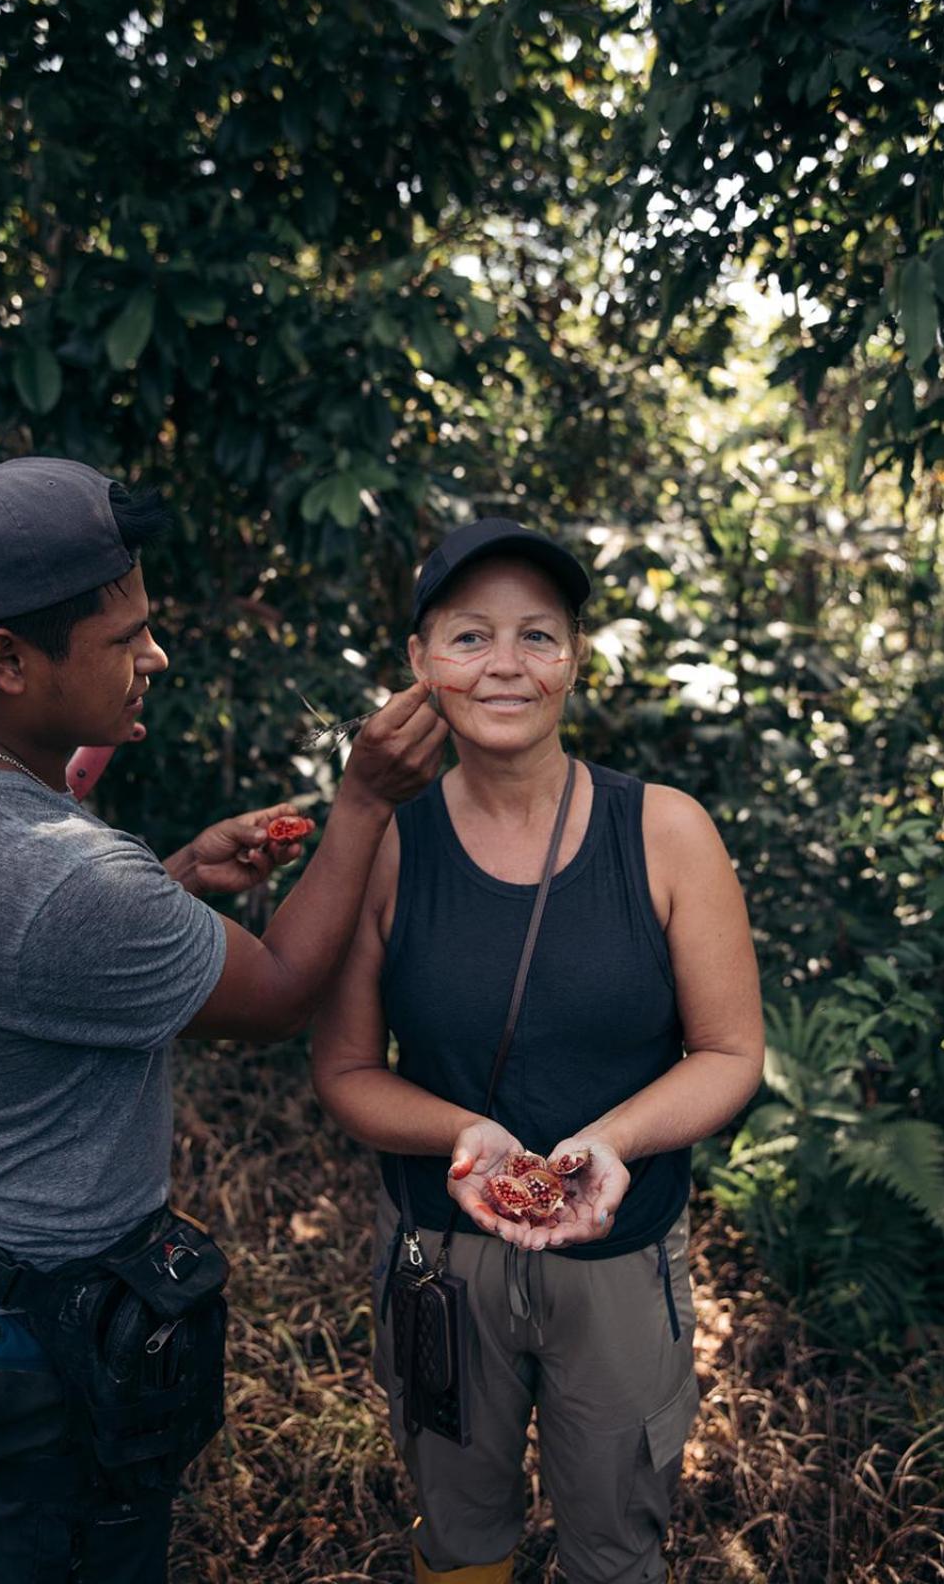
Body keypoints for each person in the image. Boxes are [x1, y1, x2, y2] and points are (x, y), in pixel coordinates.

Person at [0, 457, 447, 1583]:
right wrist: (364, 798)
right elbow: (271, 998)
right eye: (125, 637)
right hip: (47, 1320)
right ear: (7, 660)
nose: (155, 656)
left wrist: (169, 878)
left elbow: (20, 965)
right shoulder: (57, 876)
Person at [312, 517, 765, 1584]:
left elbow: (731, 1050)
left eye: (538, 635)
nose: (506, 664)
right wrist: (465, 1132)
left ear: (576, 659)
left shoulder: (663, 832)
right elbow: (345, 1070)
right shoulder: (383, 842)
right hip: (440, 1253)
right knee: (461, 1531)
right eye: (470, 637)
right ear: (420, 662)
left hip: (619, 1253)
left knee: (616, 1539)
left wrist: (608, 1142)